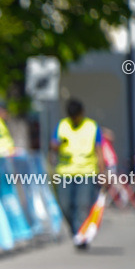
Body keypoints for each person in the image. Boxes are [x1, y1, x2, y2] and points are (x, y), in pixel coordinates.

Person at [49, 98, 103, 249]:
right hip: (65, 173)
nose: (74, 120)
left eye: (76, 117)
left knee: (81, 205)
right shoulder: (62, 125)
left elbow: (99, 150)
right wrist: (56, 146)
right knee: (65, 206)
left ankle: (82, 236)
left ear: (82, 113)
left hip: (86, 172)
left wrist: (103, 172)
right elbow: (53, 144)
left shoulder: (92, 126)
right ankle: (76, 232)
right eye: (72, 117)